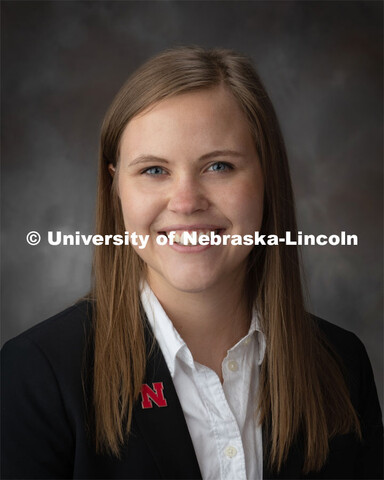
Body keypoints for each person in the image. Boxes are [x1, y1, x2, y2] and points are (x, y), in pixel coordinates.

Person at [1, 46, 382, 480]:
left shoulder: (341, 365)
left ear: (267, 177)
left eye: (219, 166)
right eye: (153, 170)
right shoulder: (36, 376)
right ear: (116, 188)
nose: (185, 202)